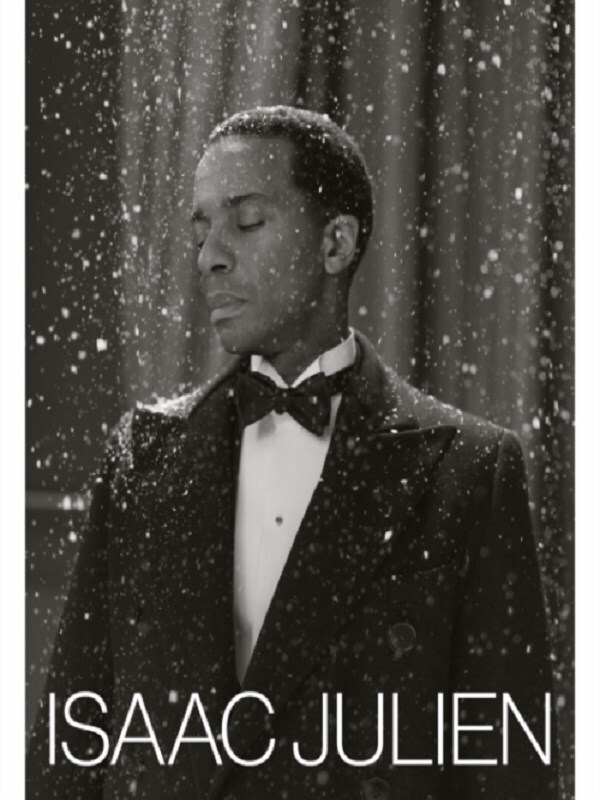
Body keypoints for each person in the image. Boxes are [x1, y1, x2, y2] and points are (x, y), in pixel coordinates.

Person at [27, 106, 558, 799]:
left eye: (247, 222)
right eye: (200, 231)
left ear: (336, 243)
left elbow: (510, 765)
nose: (210, 256)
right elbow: (70, 748)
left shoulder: (469, 469)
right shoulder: (143, 457)